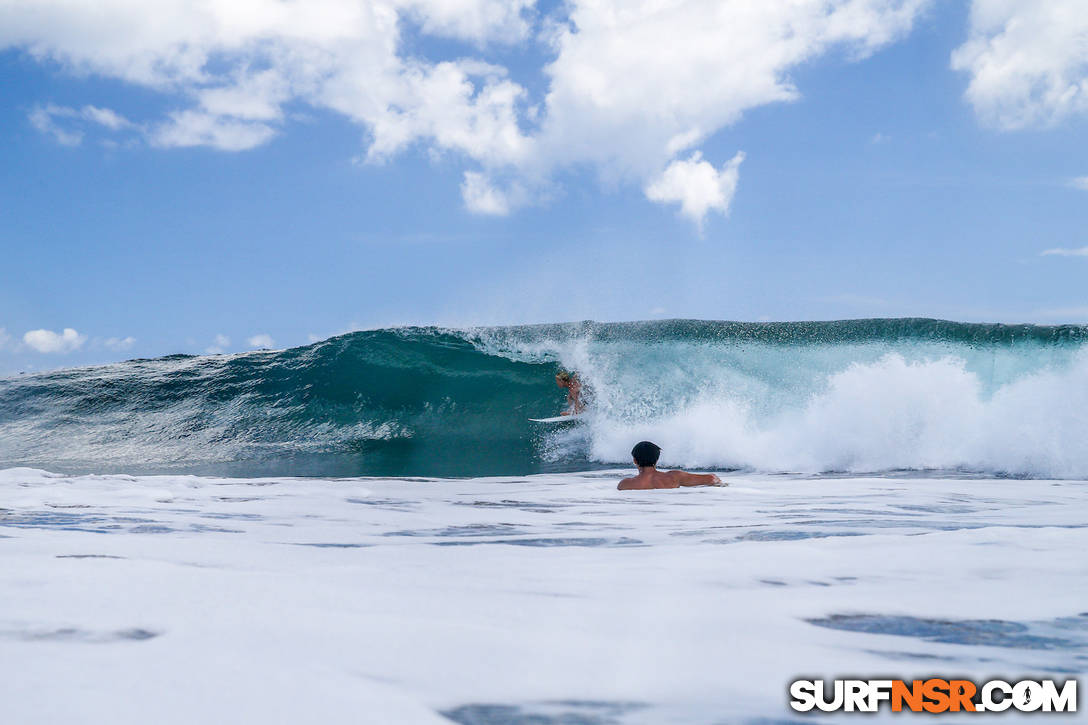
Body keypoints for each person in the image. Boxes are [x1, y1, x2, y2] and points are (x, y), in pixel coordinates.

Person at [618, 441, 721, 490]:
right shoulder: (673, 477)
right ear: (657, 459)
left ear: (635, 461)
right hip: (669, 518)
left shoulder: (625, 484)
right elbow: (711, 479)